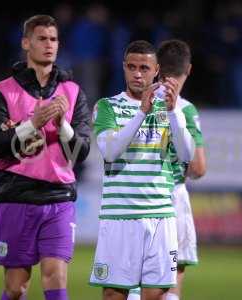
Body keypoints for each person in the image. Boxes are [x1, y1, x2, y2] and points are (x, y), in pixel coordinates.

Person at [0, 15, 91, 300]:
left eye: (53, 39)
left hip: (59, 197)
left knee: (55, 274)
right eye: (42, 38)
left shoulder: (73, 92)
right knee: (16, 287)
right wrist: (32, 125)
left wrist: (62, 124)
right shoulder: (2, 92)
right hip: (16, 195)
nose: (49, 45)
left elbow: (81, 154)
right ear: (26, 43)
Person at [89, 40, 195, 300]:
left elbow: (186, 155)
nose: (138, 74)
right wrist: (140, 113)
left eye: (144, 68)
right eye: (132, 67)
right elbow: (111, 151)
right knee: (115, 294)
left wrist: (173, 113)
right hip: (120, 216)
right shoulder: (107, 106)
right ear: (124, 68)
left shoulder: (170, 109)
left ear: (157, 70)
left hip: (160, 215)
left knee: (157, 294)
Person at [127, 39, 206, 300]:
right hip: (172, 196)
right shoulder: (184, 109)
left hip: (136, 196)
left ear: (157, 68)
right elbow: (198, 167)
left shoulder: (138, 103)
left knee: (135, 281)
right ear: (190, 69)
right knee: (170, 283)